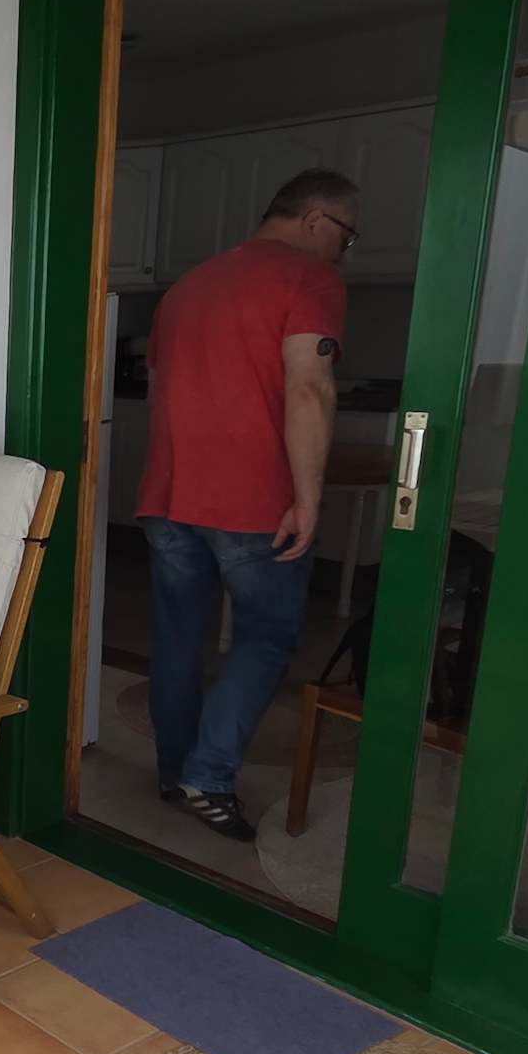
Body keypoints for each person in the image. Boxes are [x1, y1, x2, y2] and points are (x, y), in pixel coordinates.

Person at [135, 168, 354, 841]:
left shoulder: (188, 286)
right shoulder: (307, 278)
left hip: (169, 493)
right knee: (265, 637)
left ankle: (175, 771)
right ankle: (207, 777)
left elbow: (160, 389)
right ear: (314, 219)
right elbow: (309, 388)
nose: (345, 250)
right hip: (253, 500)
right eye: (346, 235)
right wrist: (307, 499)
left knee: (178, 636)